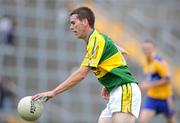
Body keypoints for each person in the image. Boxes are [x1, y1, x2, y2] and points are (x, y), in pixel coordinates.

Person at [33, 7, 141, 123]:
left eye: (73, 23)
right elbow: (123, 52)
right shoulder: (96, 40)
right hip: (116, 90)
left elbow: (81, 74)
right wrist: (108, 83)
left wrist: (53, 92)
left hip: (124, 90)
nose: (71, 27)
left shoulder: (96, 40)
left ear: (84, 21)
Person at [139, 40, 176, 123]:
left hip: (165, 99)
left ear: (153, 49)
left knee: (171, 121)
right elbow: (150, 78)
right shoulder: (145, 62)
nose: (146, 51)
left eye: (148, 49)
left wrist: (149, 85)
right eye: (144, 49)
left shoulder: (159, 62)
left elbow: (168, 79)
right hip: (152, 98)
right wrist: (144, 86)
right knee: (142, 121)